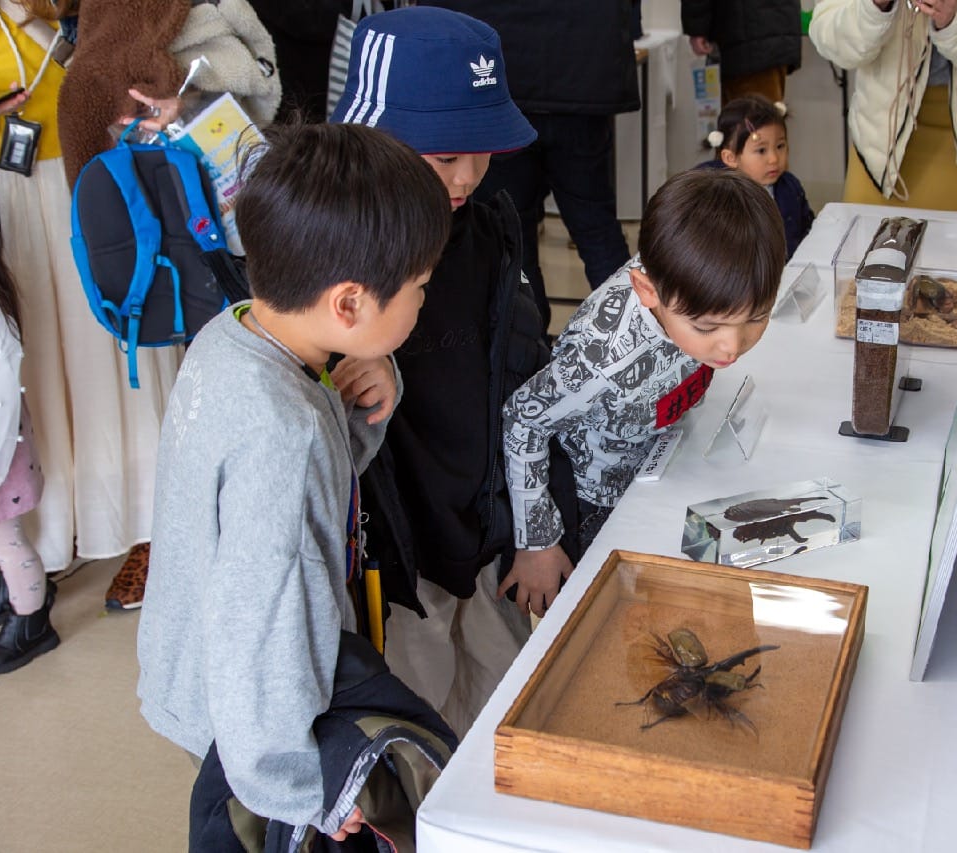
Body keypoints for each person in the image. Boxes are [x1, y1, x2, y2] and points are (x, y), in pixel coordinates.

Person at [135, 120, 450, 835]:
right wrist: (305, 787)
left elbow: (281, 501)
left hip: (197, 666)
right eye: (420, 287)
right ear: (349, 304)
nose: (425, 300)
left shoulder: (234, 332)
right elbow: (264, 621)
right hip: (254, 724)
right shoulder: (287, 433)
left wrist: (362, 410)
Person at [331, 5, 572, 738]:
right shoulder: (333, 268)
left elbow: (530, 378)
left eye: (483, 151)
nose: (466, 176)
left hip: (491, 539)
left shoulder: (493, 231)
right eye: (443, 158)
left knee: (507, 711)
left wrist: (537, 524)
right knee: (415, 730)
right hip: (401, 567)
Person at [52, 0, 281, 609]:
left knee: (251, 351)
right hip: (138, 193)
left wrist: (196, 103)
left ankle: (235, 532)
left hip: (227, 182)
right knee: (186, 353)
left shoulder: (203, 12)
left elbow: (261, 75)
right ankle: (184, 533)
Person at [501, 168, 787, 612]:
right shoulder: (601, 359)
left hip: (660, 461)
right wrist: (538, 542)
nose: (732, 347)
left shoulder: (690, 282)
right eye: (707, 327)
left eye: (756, 317)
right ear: (647, 290)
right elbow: (523, 420)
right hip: (595, 504)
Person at [0, 0, 184, 604]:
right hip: (6, 188)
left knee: (113, 343)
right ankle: (60, 527)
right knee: (29, 371)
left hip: (80, 164)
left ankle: (158, 527)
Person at [425, 0, 639, 330]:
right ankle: (636, 337)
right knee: (595, 226)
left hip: (503, 75)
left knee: (511, 234)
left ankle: (530, 353)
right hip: (581, 70)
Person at [809, 0, 957, 213]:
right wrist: (873, 6)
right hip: (878, 141)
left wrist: (954, 20)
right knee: (863, 258)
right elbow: (830, 39)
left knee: (953, 262)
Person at [0, 216, 55, 675]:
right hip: (5, 453)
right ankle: (16, 596)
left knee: (9, 543)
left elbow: (2, 406)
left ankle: (32, 623)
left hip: (2, 459)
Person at [699, 94, 814, 259]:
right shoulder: (714, 199)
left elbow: (808, 230)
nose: (774, 158)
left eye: (780, 146)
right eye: (761, 150)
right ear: (730, 158)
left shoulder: (790, 187)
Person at [681, 0, 803, 105]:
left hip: (743, 32)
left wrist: (697, 26)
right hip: (771, 26)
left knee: (752, 122)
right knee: (761, 120)